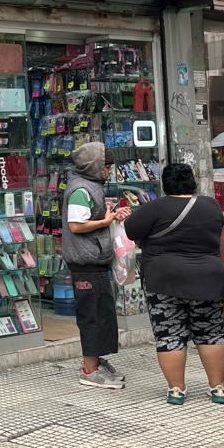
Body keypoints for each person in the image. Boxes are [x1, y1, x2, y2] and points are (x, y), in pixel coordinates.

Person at [124, 163, 224, 406]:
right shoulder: (210, 205)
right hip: (208, 278)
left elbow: (131, 231)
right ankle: (218, 388)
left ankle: (176, 390)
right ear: (192, 182)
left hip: (164, 279)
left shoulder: (154, 208)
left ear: (165, 184)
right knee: (211, 333)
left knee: (169, 333)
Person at [63, 141, 130, 390]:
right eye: (106, 166)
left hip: (94, 259)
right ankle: (89, 370)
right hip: (86, 262)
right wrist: (106, 220)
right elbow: (76, 225)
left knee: (101, 312)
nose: (109, 171)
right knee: (92, 315)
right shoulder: (81, 189)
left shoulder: (89, 186)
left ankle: (96, 361)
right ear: (94, 166)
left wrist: (110, 216)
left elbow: (88, 219)